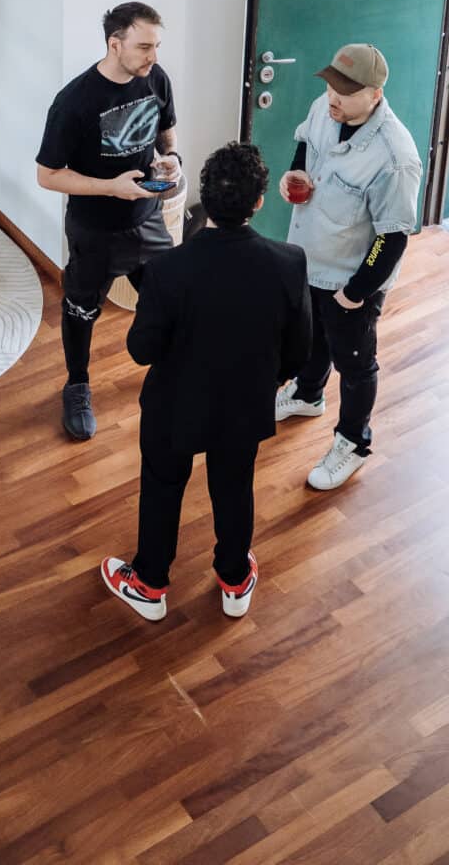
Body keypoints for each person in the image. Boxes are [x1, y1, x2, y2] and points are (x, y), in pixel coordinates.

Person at [100, 140, 311, 623]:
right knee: (234, 486)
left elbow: (141, 350)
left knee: (162, 486)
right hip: (244, 405)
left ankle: (149, 584)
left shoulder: (166, 270)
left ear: (205, 199)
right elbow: (300, 350)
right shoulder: (289, 262)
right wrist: (264, 382)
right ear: (259, 202)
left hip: (175, 406)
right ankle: (235, 579)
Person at [36, 1, 187, 441]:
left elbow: (167, 130)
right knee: (81, 310)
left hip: (148, 221)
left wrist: (172, 158)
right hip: (95, 230)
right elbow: (47, 175)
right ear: (114, 43)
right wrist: (110, 187)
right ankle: (77, 385)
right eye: (144, 47)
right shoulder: (75, 102)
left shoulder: (156, 78)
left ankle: (172, 368)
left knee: (171, 299)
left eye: (156, 46)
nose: (153, 56)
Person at [274, 42, 421, 492]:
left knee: (355, 365)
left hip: (351, 279)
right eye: (331, 86)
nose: (333, 98)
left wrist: (355, 292)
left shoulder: (394, 158)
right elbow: (306, 142)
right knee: (311, 337)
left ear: (375, 95)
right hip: (309, 256)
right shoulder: (326, 107)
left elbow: (393, 236)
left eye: (346, 92)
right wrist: (295, 174)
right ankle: (307, 393)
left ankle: (352, 444)